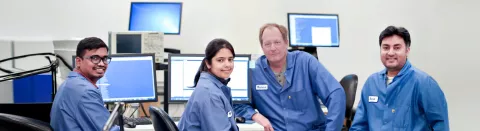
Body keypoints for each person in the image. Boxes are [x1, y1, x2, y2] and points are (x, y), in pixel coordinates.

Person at [234, 23, 346, 131]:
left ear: (286, 43)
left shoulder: (305, 62)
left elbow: (336, 94)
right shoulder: (254, 71)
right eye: (267, 44)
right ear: (262, 47)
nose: (272, 48)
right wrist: (256, 116)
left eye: (277, 42)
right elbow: (238, 104)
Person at [349, 26, 449, 131]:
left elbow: (440, 125)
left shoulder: (424, 83)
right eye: (386, 47)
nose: (391, 53)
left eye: (397, 48)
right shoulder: (372, 83)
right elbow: (359, 125)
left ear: (407, 50)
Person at [50, 37, 119, 131]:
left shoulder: (71, 83)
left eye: (105, 59)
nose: (102, 64)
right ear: (78, 61)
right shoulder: (85, 91)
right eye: (95, 58)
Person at [178, 38, 239, 131]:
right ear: (208, 63)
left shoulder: (211, 86)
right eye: (220, 60)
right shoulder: (210, 93)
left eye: (230, 59)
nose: (227, 64)